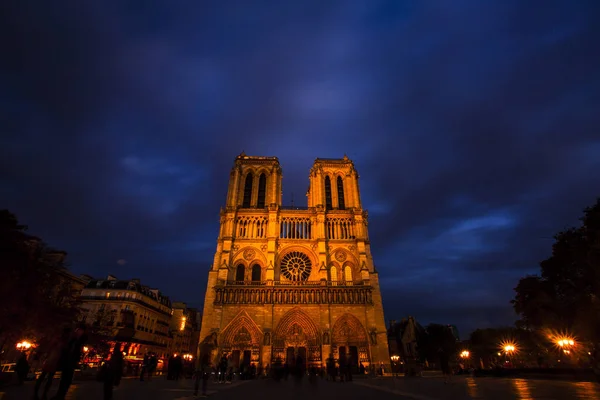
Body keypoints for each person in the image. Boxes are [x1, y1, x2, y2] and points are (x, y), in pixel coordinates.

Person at [51, 323, 88, 400]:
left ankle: (61, 395)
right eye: (78, 330)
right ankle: (60, 395)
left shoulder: (79, 340)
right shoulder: (73, 339)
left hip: (70, 361)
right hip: (67, 361)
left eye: (80, 331)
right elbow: (67, 349)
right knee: (64, 379)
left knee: (67, 380)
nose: (79, 332)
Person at [34, 328, 71, 400]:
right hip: (53, 359)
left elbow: (50, 348)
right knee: (47, 377)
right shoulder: (61, 341)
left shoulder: (59, 340)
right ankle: (40, 394)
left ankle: (40, 393)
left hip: (53, 359)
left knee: (46, 377)